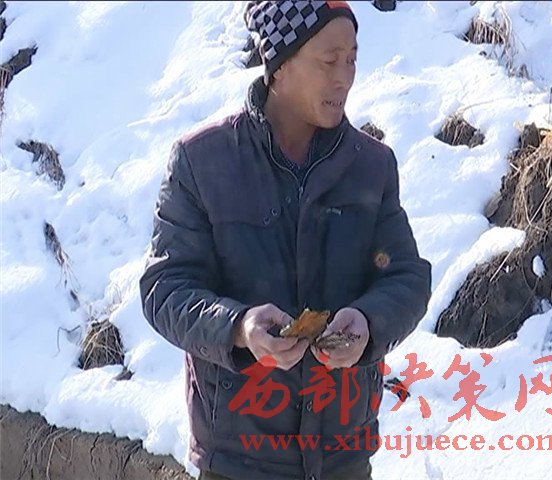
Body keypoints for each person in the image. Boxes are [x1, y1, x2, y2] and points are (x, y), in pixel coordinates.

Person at [139, 1, 431, 479]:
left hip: (343, 454)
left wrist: (368, 322)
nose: (345, 77)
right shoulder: (203, 163)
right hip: (238, 457)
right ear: (279, 64)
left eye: (352, 59)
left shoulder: (371, 166)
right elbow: (165, 288)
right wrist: (239, 327)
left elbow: (406, 277)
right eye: (329, 60)